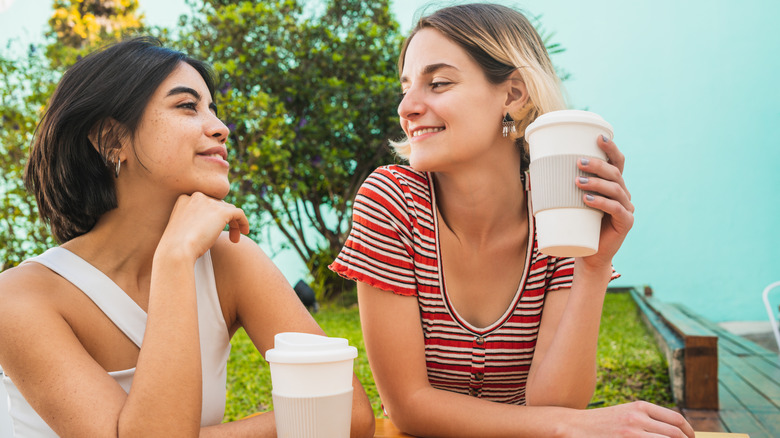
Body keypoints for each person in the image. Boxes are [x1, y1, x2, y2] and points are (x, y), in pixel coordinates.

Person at [330, 4, 694, 437]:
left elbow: (554, 403)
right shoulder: (392, 201)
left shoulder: (560, 210)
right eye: (406, 87)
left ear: (514, 95)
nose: (407, 107)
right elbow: (409, 406)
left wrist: (592, 267)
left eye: (438, 83)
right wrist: (565, 425)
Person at [0, 37, 374, 437]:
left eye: (212, 109)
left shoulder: (229, 260)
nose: (220, 128)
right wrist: (175, 257)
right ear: (111, 140)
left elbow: (348, 413)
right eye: (186, 106)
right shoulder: (19, 299)